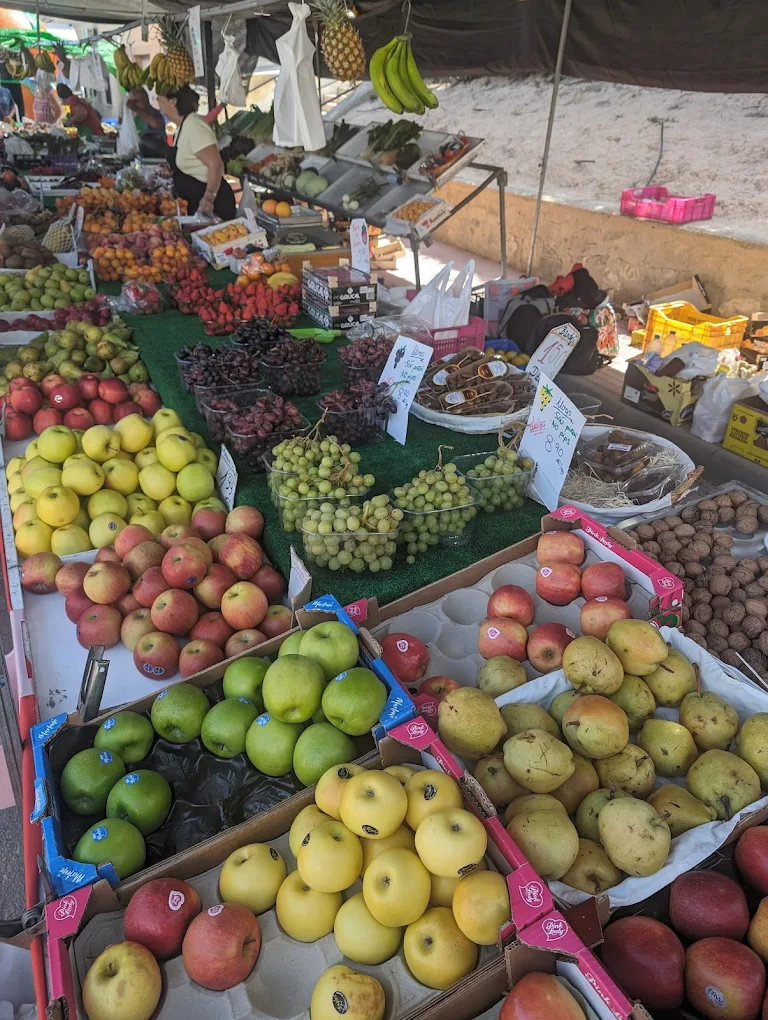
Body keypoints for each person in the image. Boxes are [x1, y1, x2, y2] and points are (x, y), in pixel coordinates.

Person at [156, 85, 235, 219]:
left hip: (212, 206)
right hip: (194, 202)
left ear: (173, 101)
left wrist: (209, 198)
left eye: (160, 99)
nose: (157, 101)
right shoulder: (182, 126)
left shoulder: (194, 126)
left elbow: (215, 164)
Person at [126, 86, 166, 158]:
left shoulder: (152, 113)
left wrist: (135, 109)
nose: (136, 105)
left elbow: (155, 123)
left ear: (145, 99)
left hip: (155, 155)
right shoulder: (136, 116)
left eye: (136, 101)